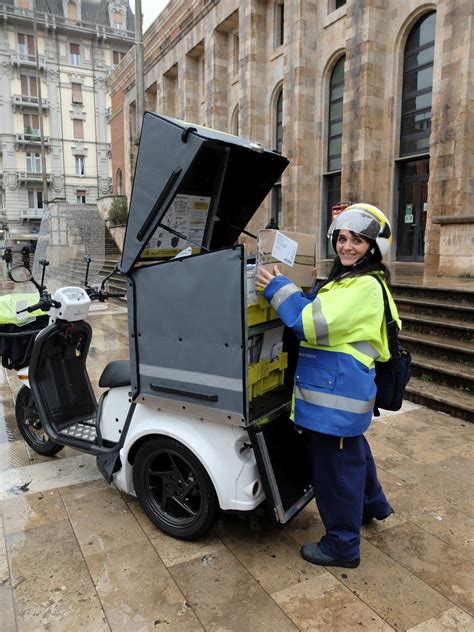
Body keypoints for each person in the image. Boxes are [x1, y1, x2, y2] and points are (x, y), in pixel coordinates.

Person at [255, 203, 399, 569]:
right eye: (343, 238)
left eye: (358, 241)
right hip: (344, 392)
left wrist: (278, 287)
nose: (346, 246)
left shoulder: (364, 286)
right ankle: (372, 504)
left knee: (335, 472)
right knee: (353, 454)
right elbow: (332, 317)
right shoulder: (359, 281)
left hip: (337, 397)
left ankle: (342, 545)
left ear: (374, 247)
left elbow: (309, 324)